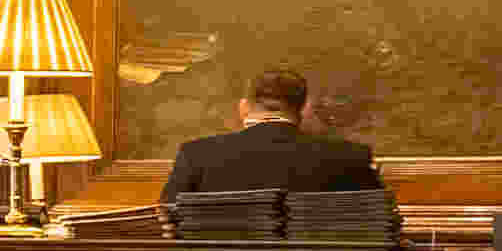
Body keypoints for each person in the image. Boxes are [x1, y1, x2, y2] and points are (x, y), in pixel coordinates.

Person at [163, 67, 383, 201]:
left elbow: (168, 221)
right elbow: (376, 227)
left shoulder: (196, 155)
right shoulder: (352, 156)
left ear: (243, 107)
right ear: (304, 109)